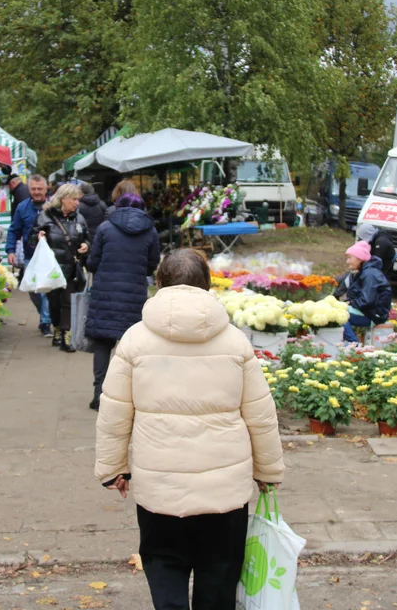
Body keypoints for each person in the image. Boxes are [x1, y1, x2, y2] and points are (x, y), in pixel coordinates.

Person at [95, 249, 284, 610]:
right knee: (220, 576)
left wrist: (112, 468)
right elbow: (260, 414)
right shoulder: (234, 342)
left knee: (164, 565)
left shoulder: (134, 341)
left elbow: (114, 412)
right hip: (224, 492)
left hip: (160, 490)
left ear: (159, 282)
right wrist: (268, 470)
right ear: (207, 286)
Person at [84, 193, 160, 411]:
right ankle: (129, 395)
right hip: (134, 296)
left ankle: (99, 394)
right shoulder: (150, 231)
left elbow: (93, 262)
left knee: (102, 344)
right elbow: (151, 264)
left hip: (105, 294)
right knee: (132, 346)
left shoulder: (105, 228)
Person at [30, 183, 89, 352]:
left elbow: (87, 238)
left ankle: (66, 337)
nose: (77, 203)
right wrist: (38, 236)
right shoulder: (45, 217)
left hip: (71, 269)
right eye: (74, 199)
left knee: (68, 302)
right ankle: (57, 328)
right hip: (52, 270)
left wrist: (86, 246)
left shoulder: (79, 218)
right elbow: (31, 239)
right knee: (54, 303)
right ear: (63, 199)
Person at [6, 175, 51, 337]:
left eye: (40, 189)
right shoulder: (22, 208)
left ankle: (46, 322)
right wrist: (10, 250)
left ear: (46, 189)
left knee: (46, 290)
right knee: (33, 290)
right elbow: (14, 230)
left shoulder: (54, 206)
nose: (37, 192)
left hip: (50, 257)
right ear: (29, 189)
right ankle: (44, 315)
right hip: (30, 255)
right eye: (33, 189)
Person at [342, 240, 392, 344]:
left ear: (360, 259)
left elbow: (367, 300)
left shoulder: (369, 274)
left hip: (374, 315)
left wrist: (350, 303)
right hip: (368, 312)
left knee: (339, 316)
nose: (347, 261)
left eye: (350, 258)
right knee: (334, 311)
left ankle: (354, 345)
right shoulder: (362, 272)